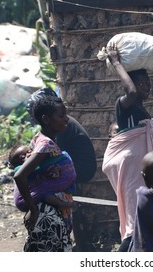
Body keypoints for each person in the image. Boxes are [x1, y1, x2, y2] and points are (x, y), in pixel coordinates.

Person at [102, 43, 153, 251]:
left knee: (141, 214)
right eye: (142, 83)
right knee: (134, 217)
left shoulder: (139, 109)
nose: (147, 87)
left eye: (148, 82)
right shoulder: (124, 105)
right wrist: (116, 62)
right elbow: (131, 90)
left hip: (141, 169)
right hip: (130, 171)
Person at [26, 87, 97, 251]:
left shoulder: (61, 126)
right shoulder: (57, 125)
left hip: (81, 167)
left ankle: (77, 241)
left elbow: (55, 157)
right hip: (73, 164)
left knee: (47, 187)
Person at [13, 95, 75, 251]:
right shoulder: (45, 145)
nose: (66, 119)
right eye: (61, 116)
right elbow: (20, 175)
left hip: (49, 212)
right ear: (46, 119)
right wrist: (33, 209)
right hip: (47, 215)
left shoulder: (40, 139)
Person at [8, 144, 77, 233]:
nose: (27, 155)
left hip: (50, 195)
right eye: (21, 157)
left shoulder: (41, 160)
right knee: (45, 195)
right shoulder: (21, 170)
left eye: (28, 151)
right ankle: (60, 204)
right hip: (40, 195)